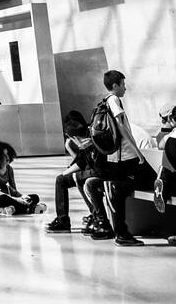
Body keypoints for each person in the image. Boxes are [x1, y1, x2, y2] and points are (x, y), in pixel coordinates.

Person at [100, 69, 157, 246]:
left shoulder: (104, 101)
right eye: (123, 84)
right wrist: (138, 152)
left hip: (116, 157)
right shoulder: (114, 100)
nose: (126, 87)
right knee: (152, 180)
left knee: (121, 192)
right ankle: (122, 233)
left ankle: (121, 233)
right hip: (126, 155)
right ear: (115, 85)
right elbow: (121, 127)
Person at [47, 111, 109, 237]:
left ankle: (96, 216)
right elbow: (81, 161)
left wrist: (76, 175)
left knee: (80, 179)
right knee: (61, 180)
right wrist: (65, 174)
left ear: (74, 138)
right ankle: (63, 220)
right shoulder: (84, 142)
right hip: (92, 171)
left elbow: (99, 169)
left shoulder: (95, 139)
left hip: (102, 173)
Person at [0, 141, 44, 215]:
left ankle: (11, 208)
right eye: (4, 155)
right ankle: (29, 209)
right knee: (4, 199)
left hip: (9, 196)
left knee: (35, 197)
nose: (7, 157)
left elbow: (13, 189)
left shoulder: (9, 169)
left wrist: (22, 196)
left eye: (7, 154)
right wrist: (17, 200)